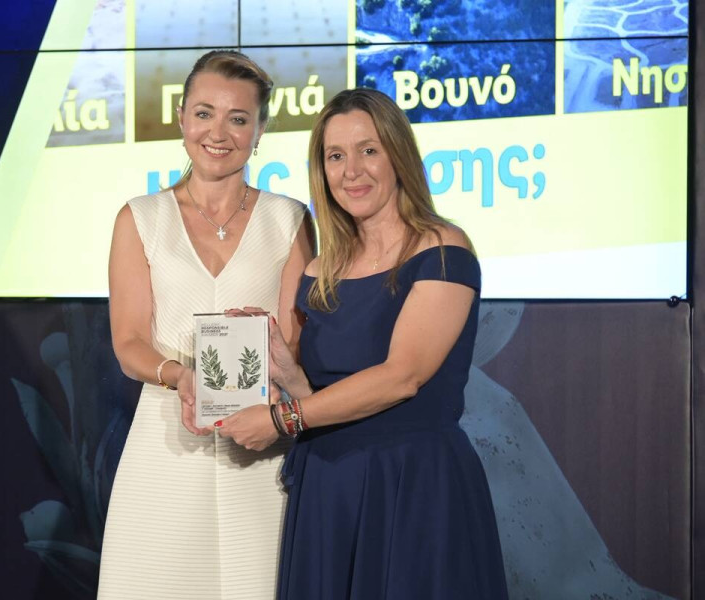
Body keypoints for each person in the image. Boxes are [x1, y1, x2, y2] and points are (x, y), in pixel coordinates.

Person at [217, 88, 509, 599]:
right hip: (329, 487)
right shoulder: (320, 269)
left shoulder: (443, 248)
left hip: (414, 487)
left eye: (368, 150)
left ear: (398, 155)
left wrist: (283, 419)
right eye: (335, 156)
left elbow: (402, 377)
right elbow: (325, 396)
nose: (351, 170)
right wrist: (288, 372)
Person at [97, 50, 313, 600]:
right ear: (181, 118)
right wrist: (182, 377)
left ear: (260, 131)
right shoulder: (140, 217)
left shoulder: (289, 219)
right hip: (165, 450)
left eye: (238, 118)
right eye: (204, 113)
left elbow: (295, 344)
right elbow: (128, 342)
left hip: (260, 452)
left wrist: (273, 392)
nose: (218, 133)